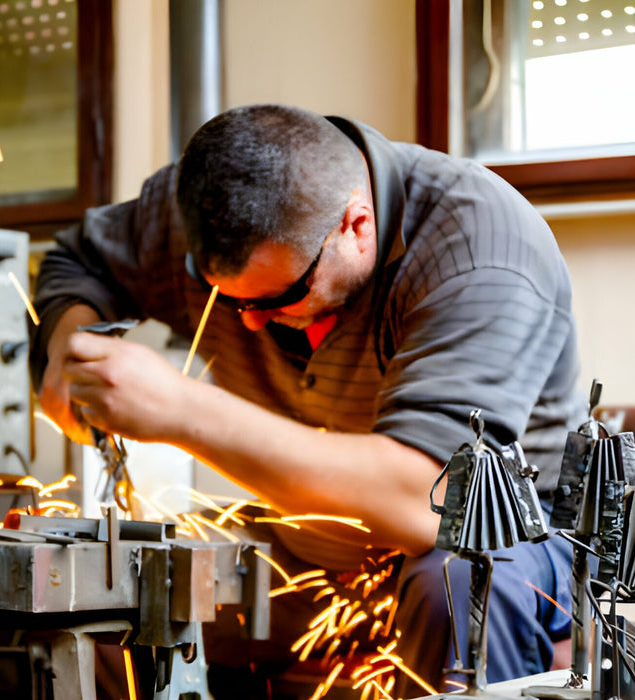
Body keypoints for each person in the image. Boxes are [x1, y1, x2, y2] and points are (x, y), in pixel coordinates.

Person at [30, 104, 584, 698]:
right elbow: (79, 261)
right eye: (227, 300)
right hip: (309, 548)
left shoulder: (479, 244)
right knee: (109, 589)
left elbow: (428, 502)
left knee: (458, 584)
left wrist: (181, 409)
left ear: (357, 224)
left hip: (505, 541)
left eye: (282, 296)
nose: (249, 324)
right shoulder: (203, 209)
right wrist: (69, 346)